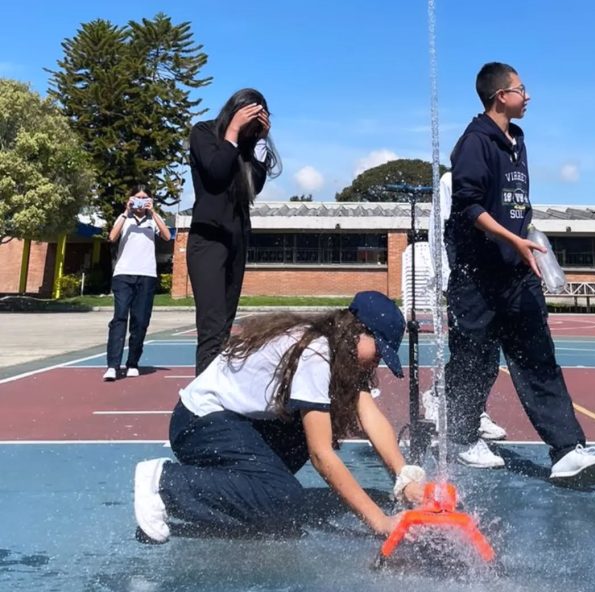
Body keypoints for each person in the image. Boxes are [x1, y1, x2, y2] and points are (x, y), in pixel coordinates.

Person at [133, 291, 426, 543]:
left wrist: (405, 477)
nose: (378, 361)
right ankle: (165, 483)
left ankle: (252, 492)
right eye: (379, 351)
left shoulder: (333, 348)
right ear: (358, 331)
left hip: (229, 422)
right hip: (197, 426)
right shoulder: (317, 355)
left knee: (293, 462)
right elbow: (321, 455)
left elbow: (369, 414)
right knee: (285, 500)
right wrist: (381, 522)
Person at [444, 62, 595, 486]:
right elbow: (468, 205)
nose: (529, 96)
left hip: (518, 274)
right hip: (476, 275)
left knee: (539, 359)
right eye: (521, 89)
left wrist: (531, 244)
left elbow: (519, 206)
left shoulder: (517, 140)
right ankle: (461, 438)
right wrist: (510, 240)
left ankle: (568, 450)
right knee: (473, 362)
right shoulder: (473, 143)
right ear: (501, 95)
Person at [188, 88, 282, 374]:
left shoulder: (249, 148)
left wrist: (261, 141)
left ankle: (216, 392)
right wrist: (232, 130)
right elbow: (216, 174)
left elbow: (254, 185)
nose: (252, 126)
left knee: (225, 326)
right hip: (208, 238)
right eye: (249, 117)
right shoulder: (204, 133)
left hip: (237, 239)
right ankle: (202, 405)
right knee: (212, 326)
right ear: (235, 110)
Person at [421, 171, 507, 447]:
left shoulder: (502, 181)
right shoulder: (451, 180)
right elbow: (438, 231)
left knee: (490, 358)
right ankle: (440, 397)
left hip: (492, 283)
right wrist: (445, 276)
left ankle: (475, 410)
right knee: (467, 351)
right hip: (462, 281)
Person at [104, 187, 171, 381]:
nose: (140, 201)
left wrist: (153, 212)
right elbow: (112, 236)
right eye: (137, 198)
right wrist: (127, 212)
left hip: (147, 275)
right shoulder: (124, 218)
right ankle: (113, 365)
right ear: (131, 199)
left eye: (144, 198)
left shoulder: (153, 220)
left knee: (140, 321)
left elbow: (167, 236)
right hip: (123, 275)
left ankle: (132, 362)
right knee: (120, 318)